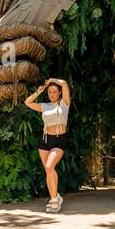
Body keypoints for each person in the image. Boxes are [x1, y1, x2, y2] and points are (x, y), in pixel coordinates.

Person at [24, 78, 70, 213]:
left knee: (50, 166)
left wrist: (52, 80)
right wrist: (40, 91)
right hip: (45, 140)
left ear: (60, 93)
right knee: (48, 170)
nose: (52, 94)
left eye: (54, 92)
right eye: (49, 92)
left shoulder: (64, 104)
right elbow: (28, 102)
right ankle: (55, 198)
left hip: (59, 140)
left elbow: (65, 83)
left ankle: (55, 198)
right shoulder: (45, 106)